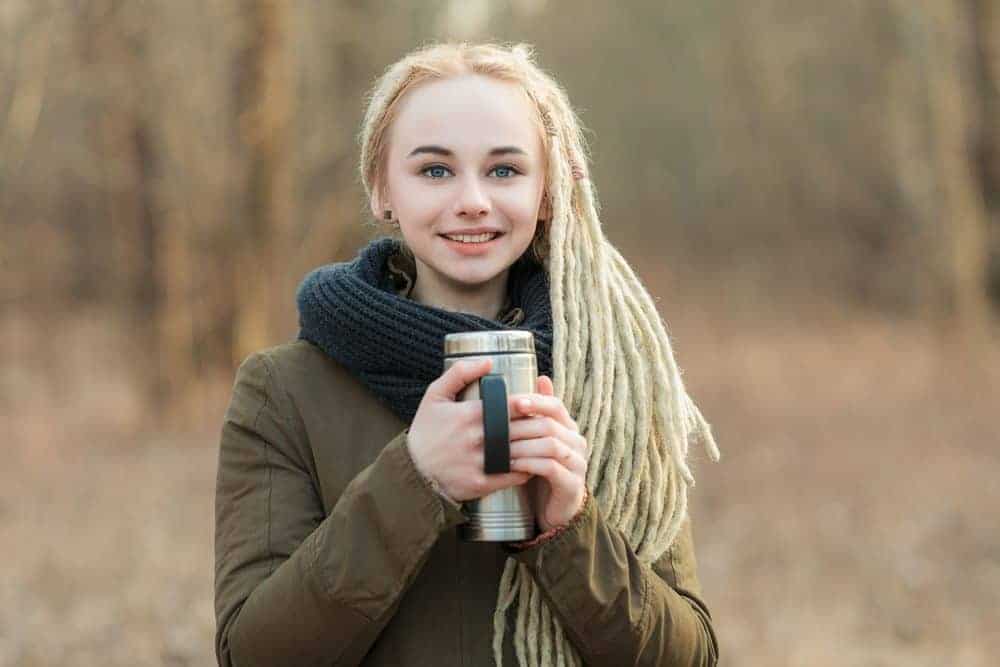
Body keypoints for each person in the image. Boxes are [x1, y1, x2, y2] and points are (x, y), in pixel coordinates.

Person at [214, 42, 721, 667]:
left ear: (546, 192)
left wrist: (570, 530)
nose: (473, 200)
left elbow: (690, 658)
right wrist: (414, 480)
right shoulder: (285, 390)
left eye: (505, 170)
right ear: (381, 190)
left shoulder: (614, 382)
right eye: (435, 170)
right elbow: (254, 654)